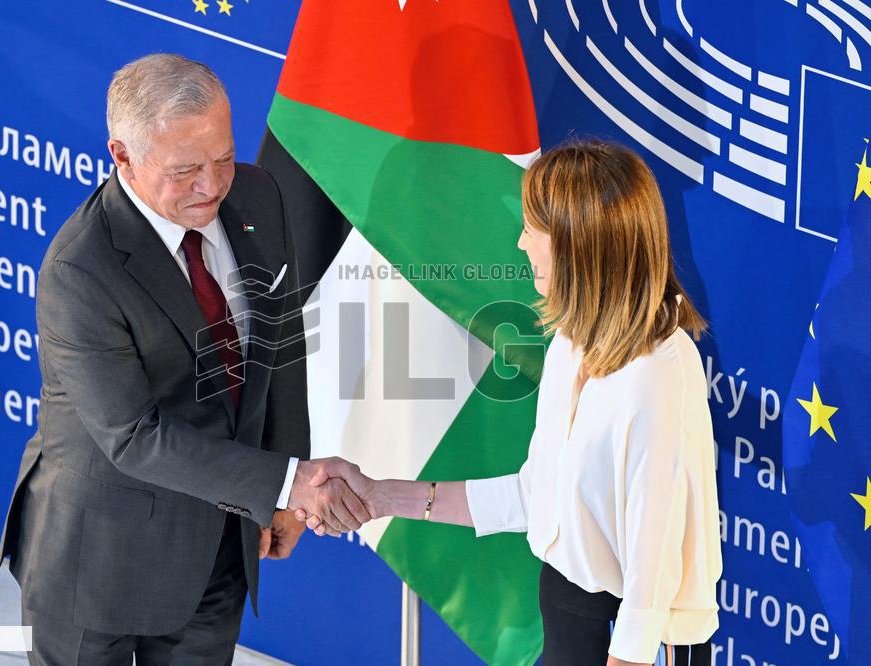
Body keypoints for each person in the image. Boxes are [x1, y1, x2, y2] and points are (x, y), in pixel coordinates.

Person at [0, 54, 368, 665]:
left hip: (217, 550)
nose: (212, 185)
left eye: (222, 157)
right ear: (123, 157)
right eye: (185, 169)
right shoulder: (80, 270)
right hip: (99, 568)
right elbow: (134, 436)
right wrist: (281, 480)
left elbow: (282, 344)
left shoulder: (258, 195)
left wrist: (284, 487)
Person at [302, 140, 722, 666]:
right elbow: (534, 494)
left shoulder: (659, 373)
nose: (521, 243)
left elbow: (651, 574)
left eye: (532, 229)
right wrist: (381, 497)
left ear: (578, 244)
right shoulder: (571, 339)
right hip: (569, 621)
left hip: (631, 646)